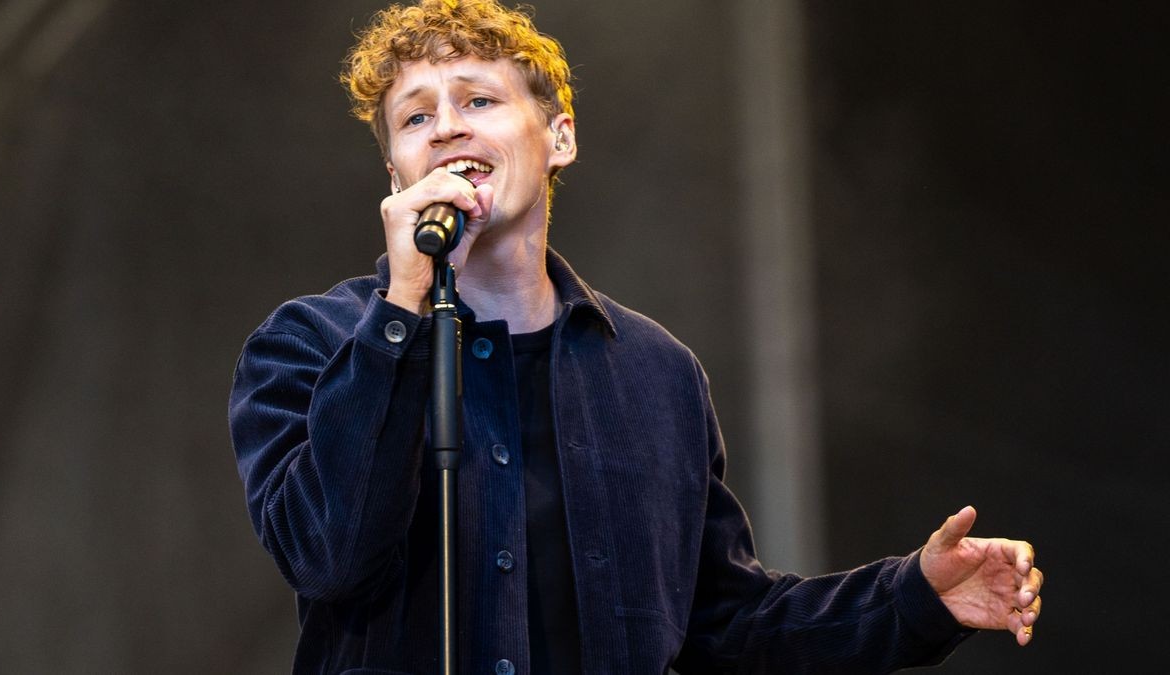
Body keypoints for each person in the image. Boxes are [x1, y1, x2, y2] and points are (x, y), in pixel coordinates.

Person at [228, 0, 1044, 672]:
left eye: (478, 100)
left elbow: (727, 624)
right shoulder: (309, 345)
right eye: (415, 117)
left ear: (560, 138)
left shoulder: (656, 375)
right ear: (396, 174)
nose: (446, 128)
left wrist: (916, 598)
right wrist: (403, 311)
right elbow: (329, 555)